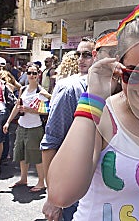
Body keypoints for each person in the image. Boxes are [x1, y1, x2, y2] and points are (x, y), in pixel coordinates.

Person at [47, 17, 139, 220]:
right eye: (134, 74)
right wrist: (93, 97)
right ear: (118, 65)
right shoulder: (102, 116)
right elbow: (61, 194)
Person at [40, 38, 96, 221]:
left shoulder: (117, 89)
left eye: (87, 55)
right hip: (72, 184)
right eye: (78, 54)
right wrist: (53, 198)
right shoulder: (70, 89)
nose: (81, 59)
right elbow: (51, 143)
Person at [3, 63, 50, 192]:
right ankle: (23, 178)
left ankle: (41, 182)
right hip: (22, 126)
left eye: (34, 73)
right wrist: (8, 122)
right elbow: (17, 106)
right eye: (29, 73)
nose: (31, 76)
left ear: (38, 75)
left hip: (35, 127)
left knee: (36, 156)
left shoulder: (41, 91)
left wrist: (31, 110)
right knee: (21, 153)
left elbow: (48, 110)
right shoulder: (23, 89)